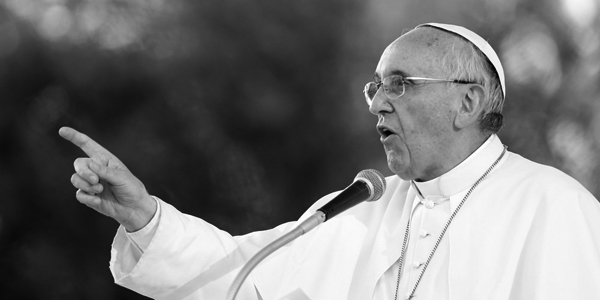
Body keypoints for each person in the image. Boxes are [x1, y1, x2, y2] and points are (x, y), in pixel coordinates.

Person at [61, 23, 600, 300]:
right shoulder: (359, 208)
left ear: (468, 103)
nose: (380, 102)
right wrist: (144, 218)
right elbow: (240, 279)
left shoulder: (554, 207)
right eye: (376, 87)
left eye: (402, 85)